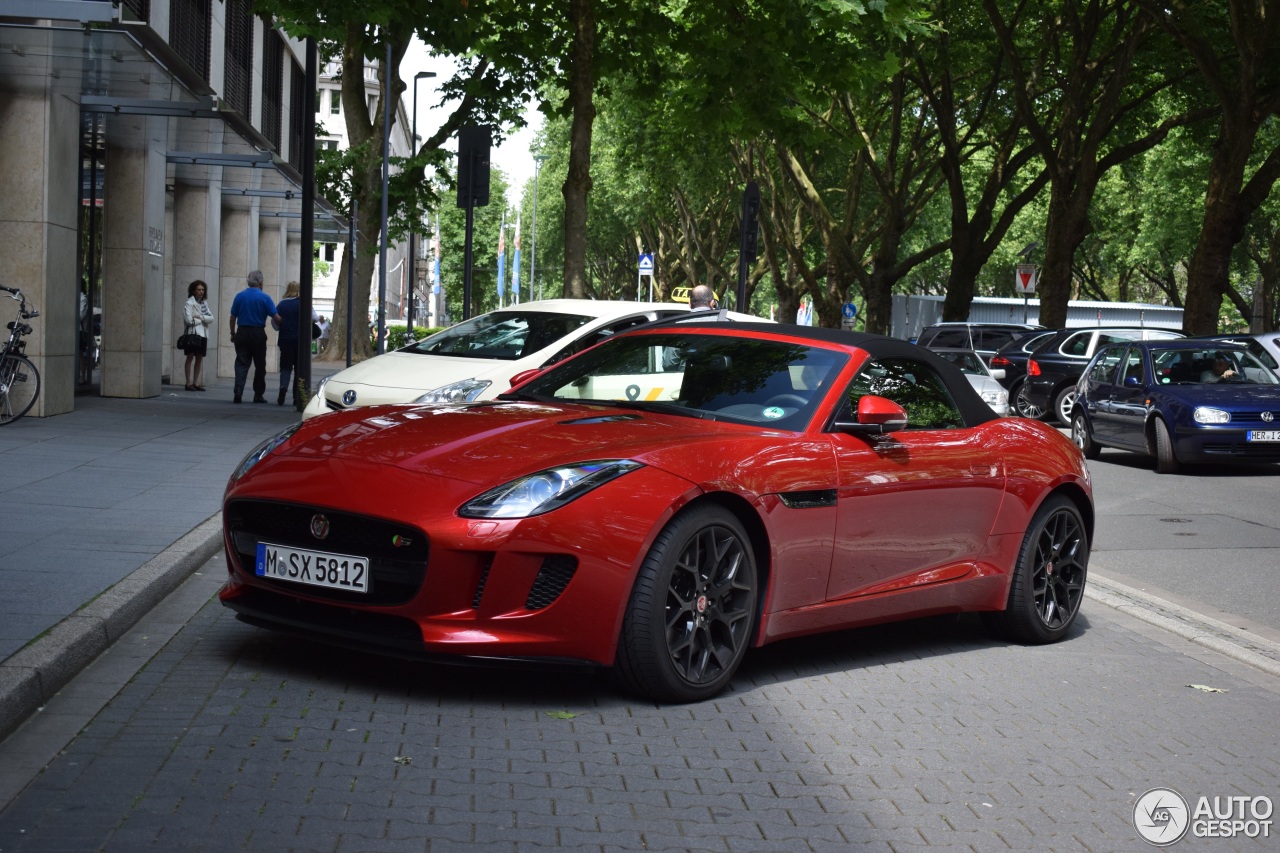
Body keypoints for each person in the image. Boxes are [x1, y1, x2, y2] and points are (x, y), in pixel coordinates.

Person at [228, 270, 282, 403]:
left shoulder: (239, 296)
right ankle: (258, 394)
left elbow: (232, 317)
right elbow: (276, 318)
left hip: (242, 331)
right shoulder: (265, 298)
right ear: (260, 282)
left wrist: (233, 333)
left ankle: (238, 390)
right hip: (258, 333)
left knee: (241, 362)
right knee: (260, 365)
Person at [271, 281, 318, 406]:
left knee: (285, 368)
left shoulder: (281, 305)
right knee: (299, 370)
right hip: (301, 342)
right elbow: (316, 318)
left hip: (285, 341)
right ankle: (297, 397)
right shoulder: (303, 304)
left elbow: (275, 325)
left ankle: (282, 390)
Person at [181, 279, 215, 391]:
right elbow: (189, 320)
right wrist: (202, 320)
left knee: (199, 358)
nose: (201, 292)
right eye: (199, 290)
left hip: (203, 334)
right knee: (190, 357)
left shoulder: (204, 303)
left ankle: (196, 383)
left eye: (203, 289)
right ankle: (188, 383)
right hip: (193, 333)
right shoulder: (189, 303)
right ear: (194, 291)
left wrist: (200, 317)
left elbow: (211, 318)